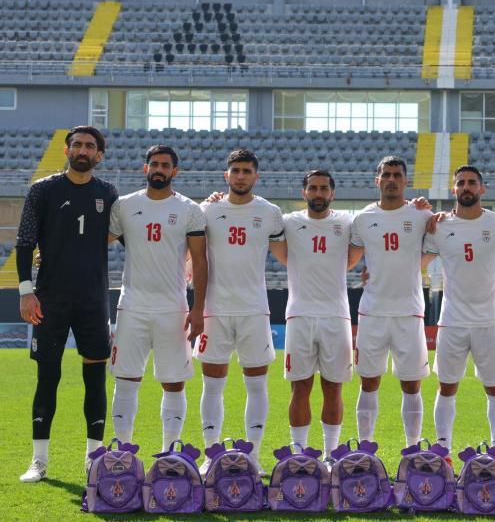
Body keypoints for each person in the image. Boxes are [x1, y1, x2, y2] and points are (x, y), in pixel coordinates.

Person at [17, 125, 118, 482]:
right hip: (50, 300)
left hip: (93, 300)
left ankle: (94, 459)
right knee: (48, 377)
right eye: (77, 144)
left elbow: (132, 228)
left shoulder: (108, 192)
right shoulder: (42, 190)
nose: (83, 150)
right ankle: (39, 461)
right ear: (66, 149)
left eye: (90, 146)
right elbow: (26, 241)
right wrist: (26, 290)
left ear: (99, 155)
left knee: (95, 381)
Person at [107, 145, 207, 452]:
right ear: (145, 168)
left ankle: (169, 453)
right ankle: (122, 453)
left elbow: (200, 261)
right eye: (154, 164)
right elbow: (98, 243)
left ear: (175, 171)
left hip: (173, 308)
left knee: (174, 382)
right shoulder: (124, 205)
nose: (159, 169)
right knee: (125, 379)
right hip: (132, 306)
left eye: (165, 165)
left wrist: (198, 308)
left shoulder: (190, 209)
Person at [195, 149, 284, 476]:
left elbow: (289, 254)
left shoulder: (270, 212)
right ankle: (210, 454)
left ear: (255, 176)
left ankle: (255, 455)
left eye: (247, 170)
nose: (241, 175)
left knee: (257, 386)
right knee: (212, 386)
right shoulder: (207, 209)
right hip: (214, 310)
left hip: (254, 311)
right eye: (236, 170)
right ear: (226, 175)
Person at [422, 165, 495, 453]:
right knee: (447, 387)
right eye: (461, 183)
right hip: (452, 321)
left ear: (482, 189)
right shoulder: (439, 226)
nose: (466, 187)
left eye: (472, 183)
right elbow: (415, 264)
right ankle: (443, 451)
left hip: (488, 320)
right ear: (454, 189)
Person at [269, 170, 361, 459]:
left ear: (332, 193)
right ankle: (299, 454)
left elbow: (351, 260)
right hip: (299, 315)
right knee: (300, 389)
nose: (318, 193)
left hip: (336, 316)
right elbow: (282, 254)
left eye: (323, 189)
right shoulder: (288, 223)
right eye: (313, 188)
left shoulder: (347, 222)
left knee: (334, 389)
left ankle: (331, 455)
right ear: (304, 193)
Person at [349, 156, 434, 448]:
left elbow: (436, 244)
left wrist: (413, 265)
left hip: (409, 312)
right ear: (377, 181)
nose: (391, 179)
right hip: (372, 311)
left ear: (405, 181)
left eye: (397, 175)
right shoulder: (361, 219)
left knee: (411, 384)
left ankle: (412, 448)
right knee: (368, 381)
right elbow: (350, 259)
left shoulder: (421, 216)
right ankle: (365, 448)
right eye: (386, 174)